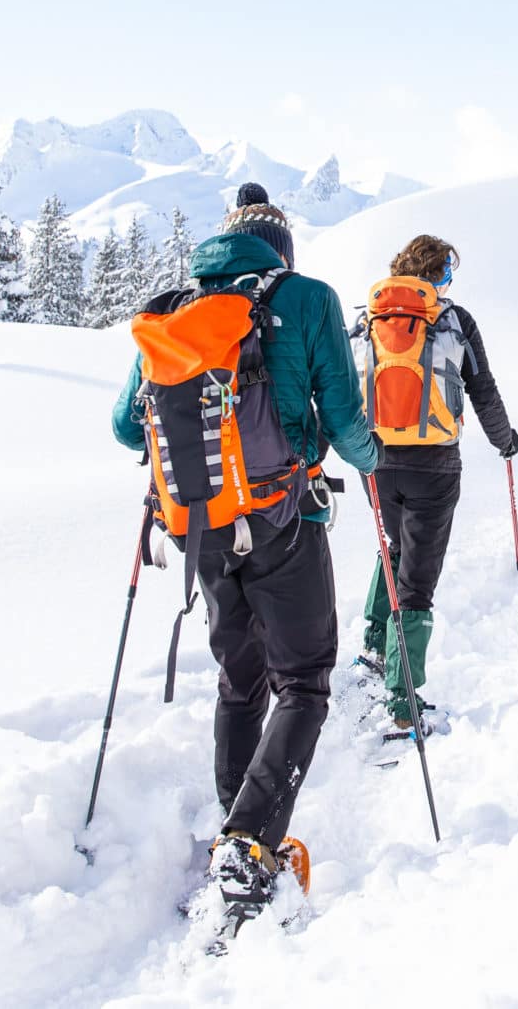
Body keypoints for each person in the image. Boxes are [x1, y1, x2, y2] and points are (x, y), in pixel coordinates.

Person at [111, 182, 378, 916]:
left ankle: (237, 826)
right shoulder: (309, 298)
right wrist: (371, 457)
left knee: (241, 679)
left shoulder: (172, 310)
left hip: (201, 531)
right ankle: (250, 844)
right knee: (306, 683)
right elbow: (347, 418)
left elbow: (126, 429)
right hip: (281, 523)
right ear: (279, 247)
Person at [352, 235, 518, 731]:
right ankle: (404, 706)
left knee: (393, 547)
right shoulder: (455, 320)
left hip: (376, 459)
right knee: (419, 577)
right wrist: (504, 439)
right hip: (435, 464)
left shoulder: (368, 316)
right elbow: (481, 385)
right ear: (441, 274)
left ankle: (374, 646)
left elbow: (342, 381)